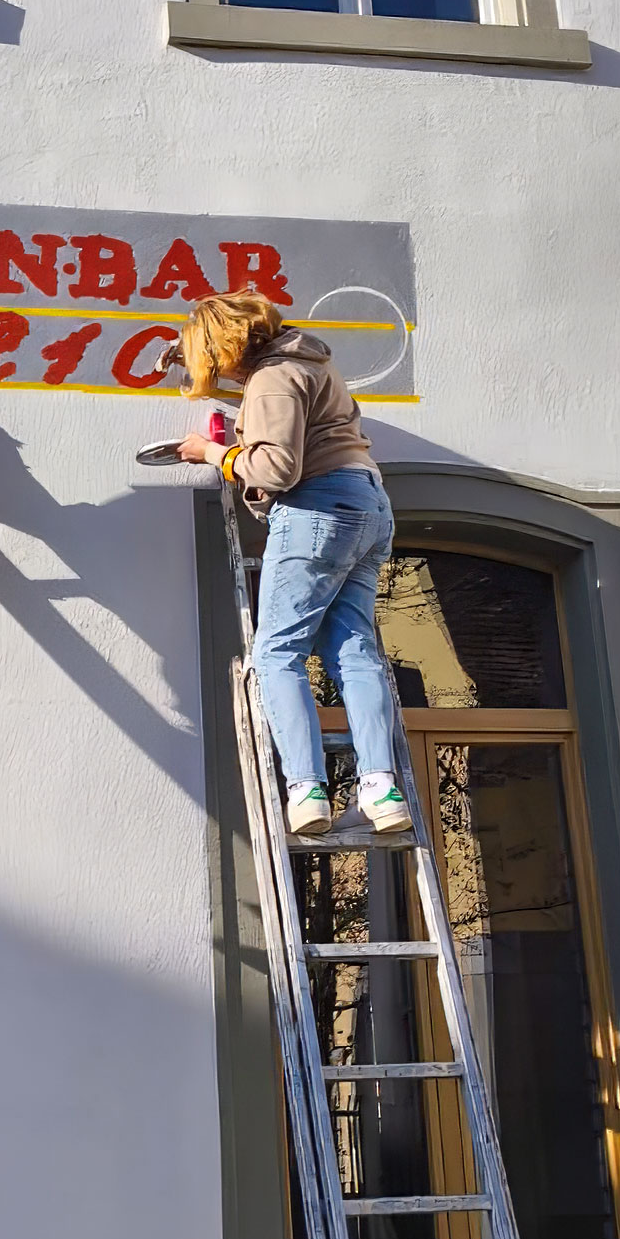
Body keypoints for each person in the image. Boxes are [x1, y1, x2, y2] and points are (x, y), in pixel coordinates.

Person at [175, 292, 409, 839]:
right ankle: (381, 789)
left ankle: (306, 790)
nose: (207, 369)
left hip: (320, 510)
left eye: (203, 356)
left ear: (221, 346)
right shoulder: (310, 363)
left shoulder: (273, 378)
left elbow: (278, 468)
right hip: (367, 504)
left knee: (277, 653)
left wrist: (214, 454)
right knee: (354, 650)